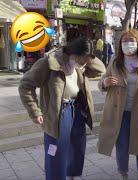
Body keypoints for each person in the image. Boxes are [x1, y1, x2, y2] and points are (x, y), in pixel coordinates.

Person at [18, 37, 106, 180]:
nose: (83, 64)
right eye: (81, 60)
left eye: (85, 62)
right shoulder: (49, 63)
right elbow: (25, 86)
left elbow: (101, 70)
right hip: (59, 113)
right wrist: (35, 111)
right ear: (73, 53)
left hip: (77, 109)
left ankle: (72, 175)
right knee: (56, 150)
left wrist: (90, 56)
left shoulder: (81, 65)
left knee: (77, 147)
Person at [97, 29, 138, 180]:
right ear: (120, 45)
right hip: (119, 113)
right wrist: (105, 83)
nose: (128, 44)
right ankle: (123, 173)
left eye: (131, 41)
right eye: (124, 42)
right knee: (122, 146)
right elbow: (101, 82)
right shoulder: (115, 62)